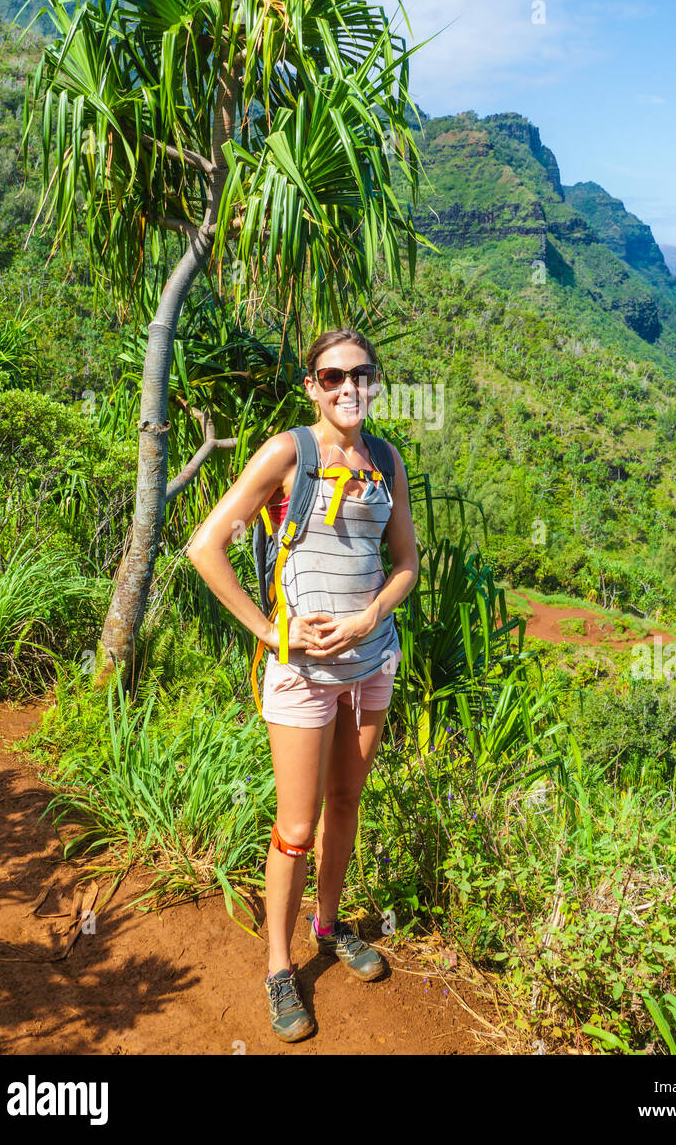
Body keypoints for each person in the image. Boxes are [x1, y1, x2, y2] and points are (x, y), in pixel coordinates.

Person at [186, 328, 419, 1042]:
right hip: (302, 673)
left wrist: (370, 616)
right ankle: (279, 969)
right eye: (333, 376)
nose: (351, 388)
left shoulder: (386, 459)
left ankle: (328, 926)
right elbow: (205, 545)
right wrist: (269, 633)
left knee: (346, 801)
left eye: (363, 375)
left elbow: (406, 560)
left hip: (372, 661)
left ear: (375, 382)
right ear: (312, 386)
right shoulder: (292, 452)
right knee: (296, 827)